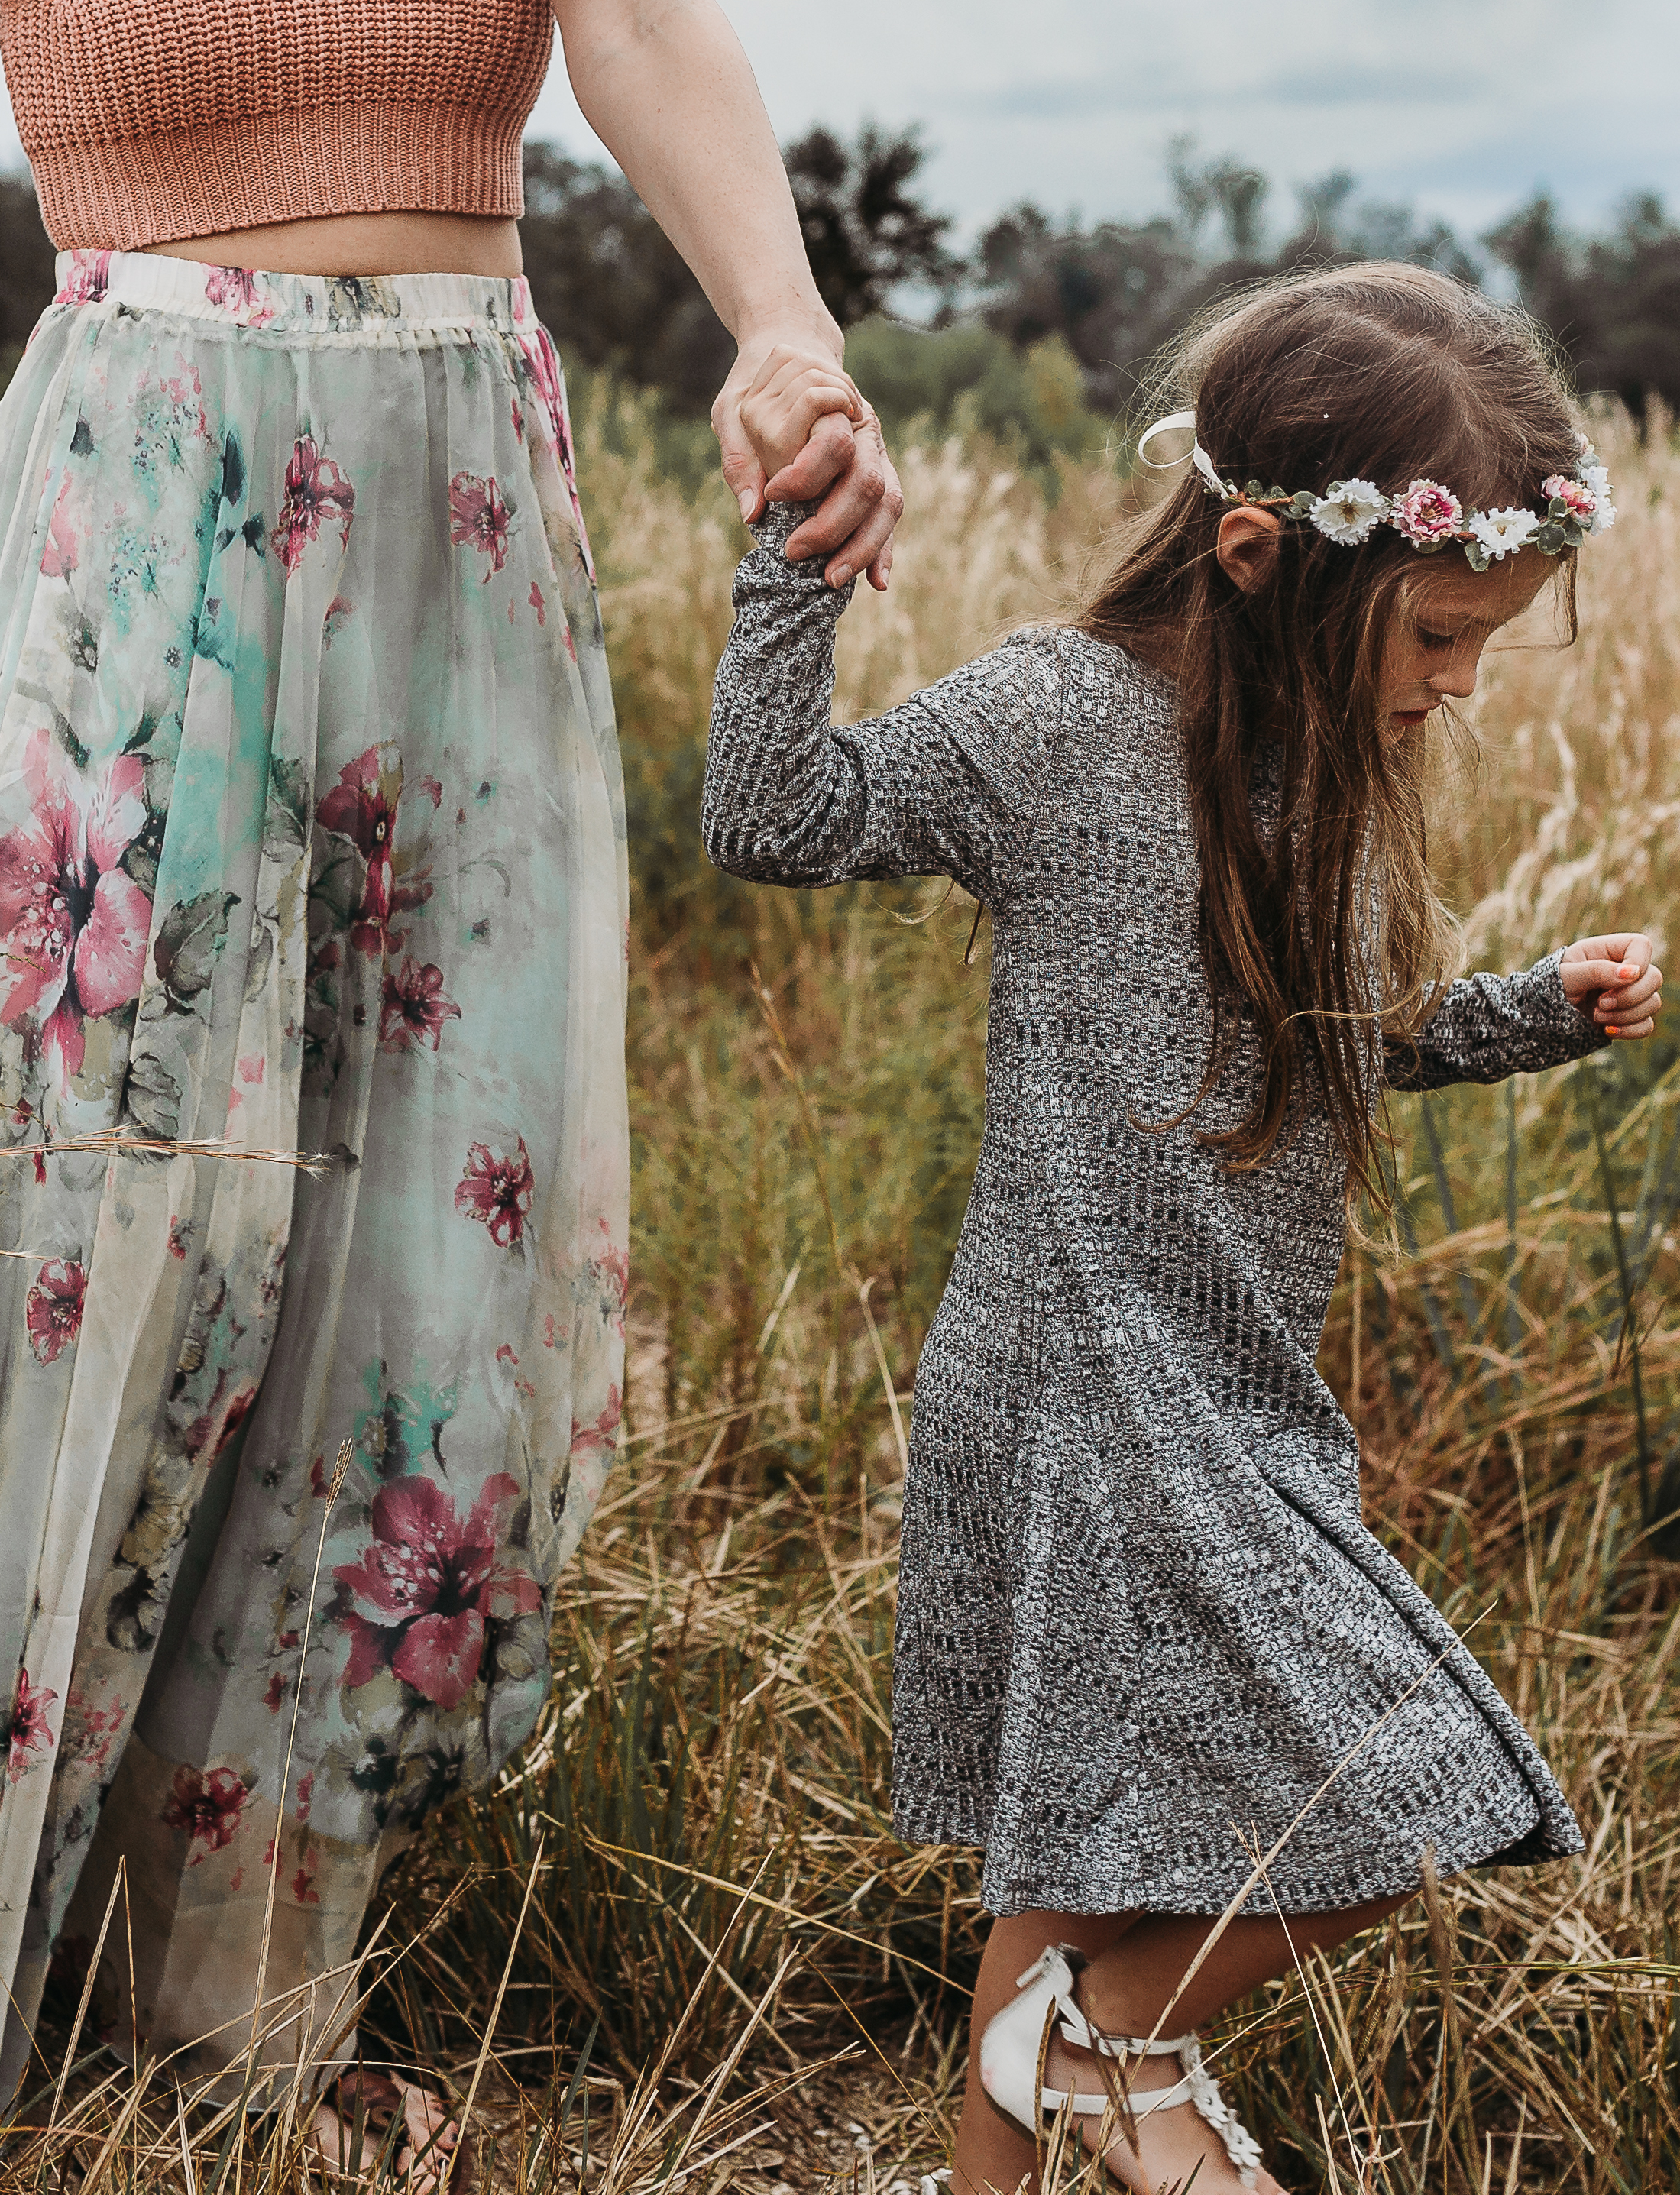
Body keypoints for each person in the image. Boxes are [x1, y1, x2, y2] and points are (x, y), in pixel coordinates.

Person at [0, 0, 902, 2151]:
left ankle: (235, 2025)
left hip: (462, 532)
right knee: (32, 1227)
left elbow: (645, 15)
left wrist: (772, 313)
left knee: (407, 1268)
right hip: (128, 553)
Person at [702, 261, 1661, 2195]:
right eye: (1445, 637)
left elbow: (1335, 1049)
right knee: (1412, 1786)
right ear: (1251, 550)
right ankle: (1116, 2048)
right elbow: (775, 814)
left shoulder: (1327, 764)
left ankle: (1026, 2117)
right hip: (1082, 1372)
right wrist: (797, 561)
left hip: (1230, 1375)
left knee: (1075, 1851)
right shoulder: (1054, 720)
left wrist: (1534, 1009)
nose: (1460, 686)